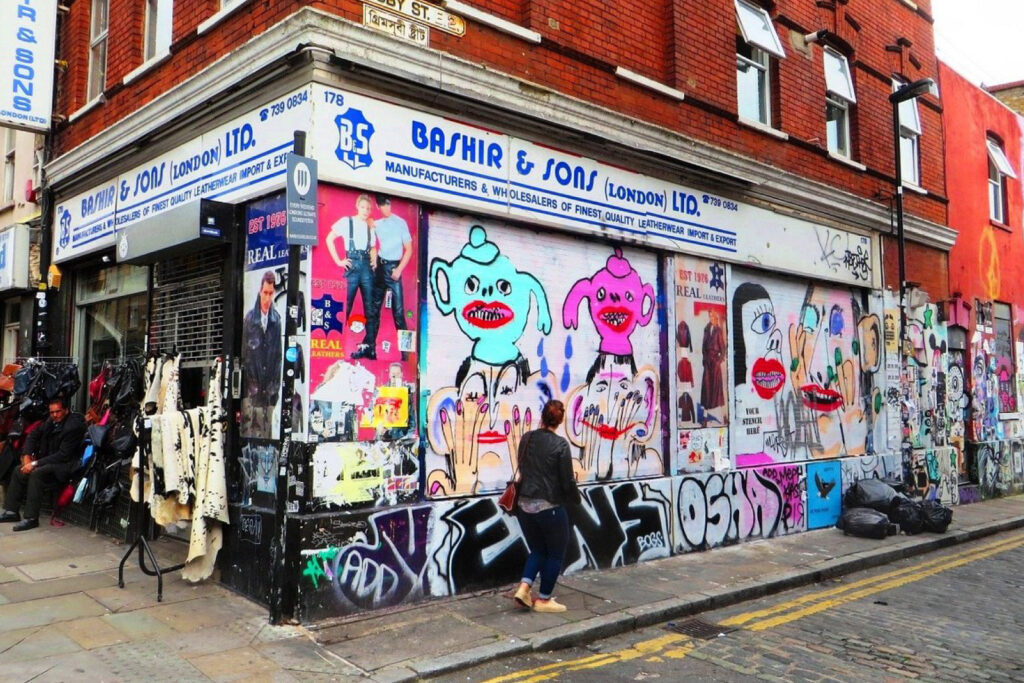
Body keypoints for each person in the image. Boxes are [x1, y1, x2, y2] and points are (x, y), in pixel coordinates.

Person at [512, 399, 581, 613]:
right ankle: (543, 599)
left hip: (524, 504)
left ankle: (524, 588)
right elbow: (567, 480)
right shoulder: (561, 445)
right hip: (548, 506)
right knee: (555, 553)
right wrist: (575, 499)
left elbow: (524, 467)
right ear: (560, 421)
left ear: (542, 417)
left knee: (538, 549)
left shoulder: (527, 438)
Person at [0, 397, 87, 532]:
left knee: (37, 473)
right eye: (52, 412)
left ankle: (31, 518)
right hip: (50, 461)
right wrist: (27, 456)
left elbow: (63, 455)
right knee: (19, 470)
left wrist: (35, 463)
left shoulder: (72, 426)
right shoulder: (52, 421)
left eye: (58, 412)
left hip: (66, 465)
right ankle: (11, 511)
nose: (54, 415)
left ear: (66, 410)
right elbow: (33, 434)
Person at [326, 194, 378, 360]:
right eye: (363, 207)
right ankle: (338, 348)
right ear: (357, 207)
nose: (366, 211)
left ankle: (370, 347)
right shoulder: (346, 221)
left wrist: (374, 259)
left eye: (368, 208)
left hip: (366, 267)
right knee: (345, 306)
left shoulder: (371, 227)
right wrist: (338, 261)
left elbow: (373, 247)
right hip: (353, 265)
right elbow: (329, 239)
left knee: (370, 309)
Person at [363, 194, 413, 360]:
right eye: (383, 205)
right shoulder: (377, 224)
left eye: (388, 204)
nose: (386, 208)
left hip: (394, 268)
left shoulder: (400, 223)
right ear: (378, 207)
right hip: (381, 267)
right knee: (373, 309)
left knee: (399, 313)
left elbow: (409, 249)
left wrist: (399, 269)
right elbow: (369, 232)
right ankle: (370, 348)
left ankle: (406, 353)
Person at [242, 270, 283, 438]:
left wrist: (273, 389)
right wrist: (251, 390)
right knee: (251, 435)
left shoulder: (276, 320)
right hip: (252, 395)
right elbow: (245, 358)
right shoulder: (250, 320)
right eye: (265, 293)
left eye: (271, 293)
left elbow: (278, 357)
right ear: (260, 291)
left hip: (269, 395)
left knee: (267, 436)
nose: (268, 298)